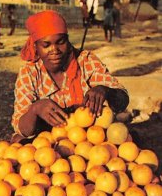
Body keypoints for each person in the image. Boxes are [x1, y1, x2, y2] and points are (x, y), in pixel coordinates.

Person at [11, 10, 129, 143]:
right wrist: (35, 109)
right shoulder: (30, 73)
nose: (54, 50)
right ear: (36, 46)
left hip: (89, 139)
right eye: (46, 45)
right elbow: (22, 129)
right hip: (49, 141)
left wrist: (106, 91)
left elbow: (122, 101)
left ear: (68, 41)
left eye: (60, 42)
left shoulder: (85, 61)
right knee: (18, 141)